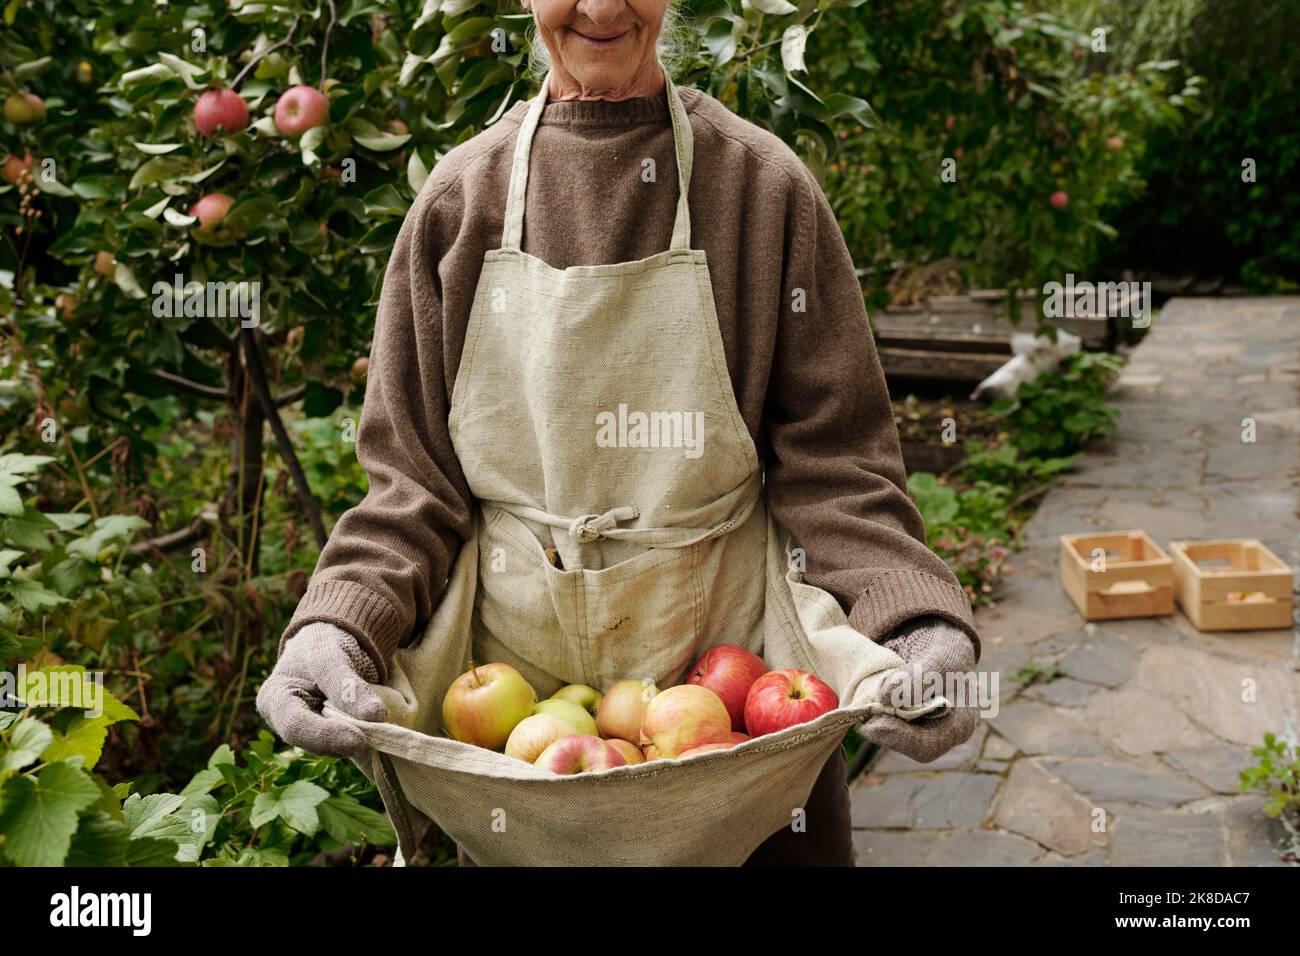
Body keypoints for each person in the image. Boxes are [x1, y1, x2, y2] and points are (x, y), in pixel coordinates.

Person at [257, 0, 981, 867]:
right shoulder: (460, 200)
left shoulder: (760, 187)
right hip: (520, 768)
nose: (599, 8)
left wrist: (914, 620)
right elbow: (411, 487)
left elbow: (838, 467)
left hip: (739, 733)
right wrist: (336, 626)